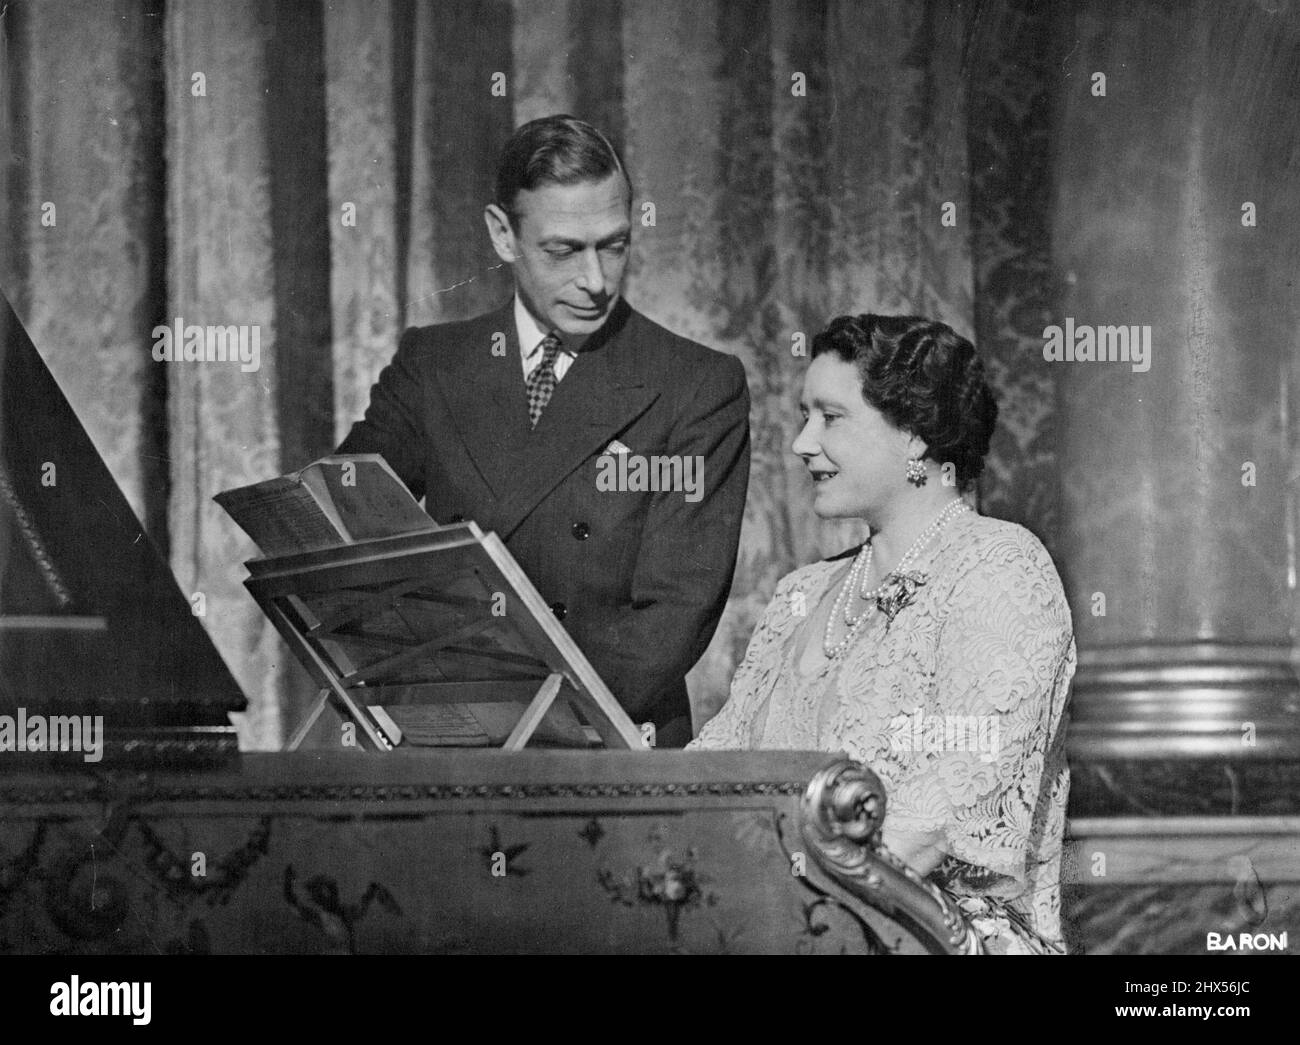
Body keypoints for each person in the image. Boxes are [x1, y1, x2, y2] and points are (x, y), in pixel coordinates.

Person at [337, 115, 750, 748]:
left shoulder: (696, 385)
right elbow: (343, 520)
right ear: (503, 235)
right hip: (442, 740)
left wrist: (522, 724)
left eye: (613, 245)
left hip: (600, 744)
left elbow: (674, 614)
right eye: (563, 250)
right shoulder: (434, 364)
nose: (595, 281)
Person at [689, 314, 1075, 954]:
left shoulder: (1000, 567)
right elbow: (719, 771)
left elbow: (951, 799)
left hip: (933, 935)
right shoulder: (801, 594)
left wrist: (785, 899)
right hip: (786, 925)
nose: (803, 443)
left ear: (916, 437)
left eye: (831, 417)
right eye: (805, 415)